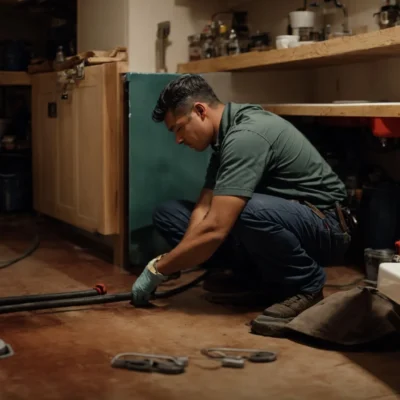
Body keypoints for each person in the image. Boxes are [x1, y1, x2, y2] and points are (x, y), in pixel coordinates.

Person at [131, 74, 352, 335]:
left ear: (200, 111)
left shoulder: (246, 135)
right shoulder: (223, 138)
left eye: (178, 128)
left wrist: (159, 268)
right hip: (285, 220)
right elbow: (204, 207)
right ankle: (257, 280)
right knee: (170, 215)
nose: (178, 139)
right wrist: (178, 257)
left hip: (327, 225)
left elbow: (215, 228)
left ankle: (306, 286)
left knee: (241, 213)